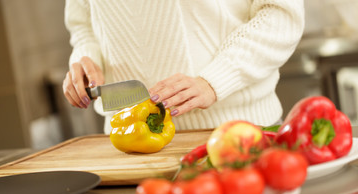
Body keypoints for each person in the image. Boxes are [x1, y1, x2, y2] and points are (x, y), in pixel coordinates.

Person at [63, 0, 305, 134]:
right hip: (127, 147)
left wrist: (214, 81)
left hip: (237, 135)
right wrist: (85, 60)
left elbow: (281, 15)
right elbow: (83, 24)